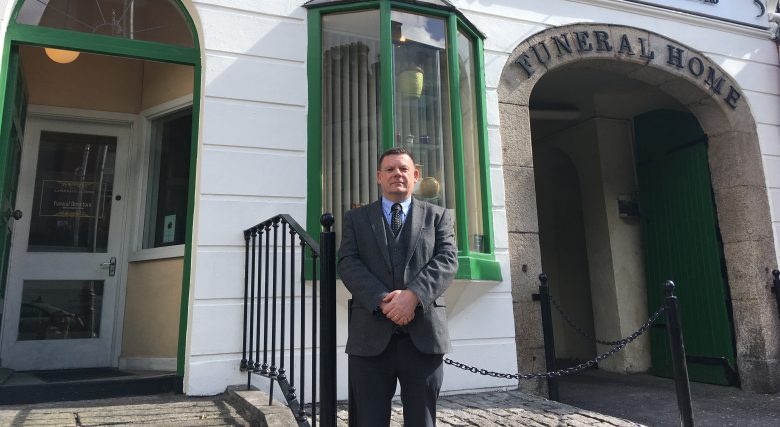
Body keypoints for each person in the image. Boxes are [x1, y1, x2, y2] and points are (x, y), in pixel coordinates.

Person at [338, 147, 459, 426]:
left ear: (415, 176)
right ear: (379, 177)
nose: (397, 175)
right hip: (370, 338)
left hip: (424, 337)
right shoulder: (356, 218)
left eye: (403, 169)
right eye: (390, 170)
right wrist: (383, 299)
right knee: (369, 420)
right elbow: (347, 262)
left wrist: (414, 296)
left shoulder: (438, 216)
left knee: (422, 420)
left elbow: (447, 260)